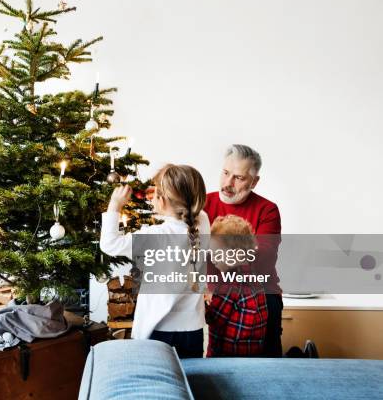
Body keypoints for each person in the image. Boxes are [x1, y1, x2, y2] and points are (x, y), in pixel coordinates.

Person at [100, 164, 210, 358]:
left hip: (158, 330)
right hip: (192, 329)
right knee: (190, 379)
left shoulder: (155, 235)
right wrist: (169, 194)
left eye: (156, 193)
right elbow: (193, 209)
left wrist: (115, 204)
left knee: (157, 384)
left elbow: (109, 244)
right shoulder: (202, 223)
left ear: (164, 200)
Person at [204, 144, 283, 357]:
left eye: (238, 178)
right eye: (226, 173)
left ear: (254, 182)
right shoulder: (202, 204)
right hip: (217, 294)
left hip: (262, 295)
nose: (228, 183)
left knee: (267, 363)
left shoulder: (268, 210)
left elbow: (264, 256)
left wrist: (212, 251)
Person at [205, 215, 268, 357]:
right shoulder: (255, 279)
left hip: (226, 357)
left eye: (217, 253)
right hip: (252, 353)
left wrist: (202, 302)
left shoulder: (229, 286)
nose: (213, 258)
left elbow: (212, 318)